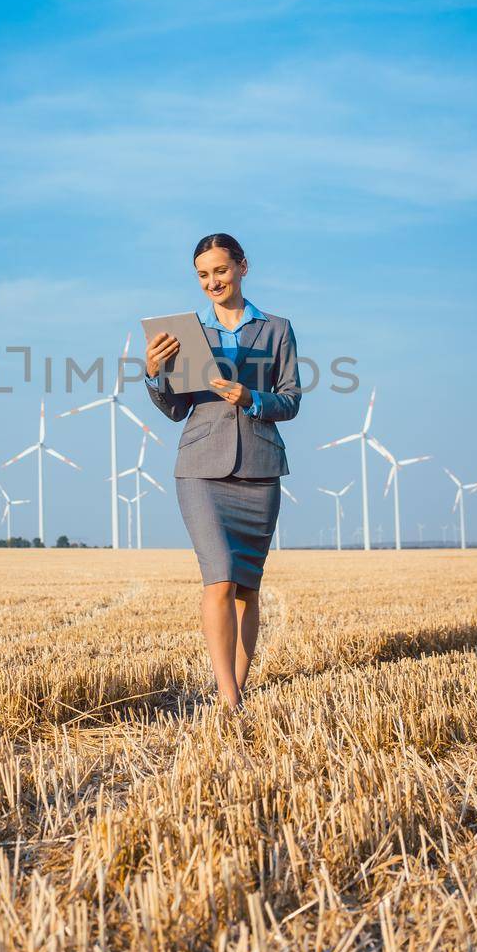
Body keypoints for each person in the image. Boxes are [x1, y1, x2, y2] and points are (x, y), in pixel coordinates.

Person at [144, 233, 301, 712]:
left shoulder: (276, 329)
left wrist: (250, 398)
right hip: (201, 468)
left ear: (242, 267)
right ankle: (228, 698)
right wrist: (154, 373)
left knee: (246, 587)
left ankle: (239, 683)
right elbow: (174, 408)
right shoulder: (186, 333)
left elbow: (291, 400)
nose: (213, 281)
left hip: (259, 467)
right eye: (203, 275)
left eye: (221, 270)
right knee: (218, 578)